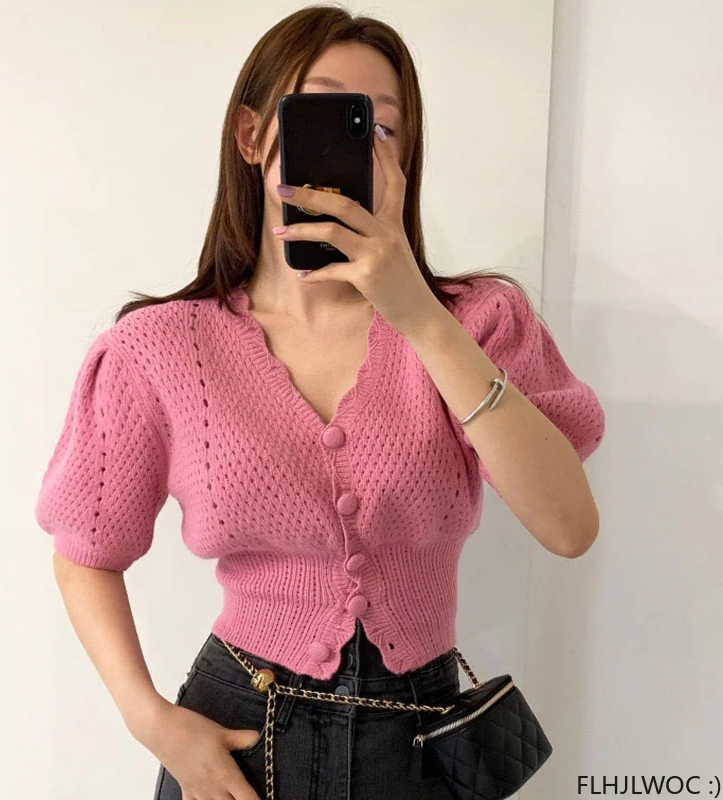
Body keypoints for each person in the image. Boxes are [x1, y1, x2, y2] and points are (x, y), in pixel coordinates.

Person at [33, 6, 606, 800]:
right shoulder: (159, 348)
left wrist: (419, 317)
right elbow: (86, 552)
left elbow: (569, 527)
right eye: (326, 115)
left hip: (422, 741)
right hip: (237, 735)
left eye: (382, 127)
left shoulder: (478, 323)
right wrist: (151, 719)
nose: (357, 146)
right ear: (252, 136)